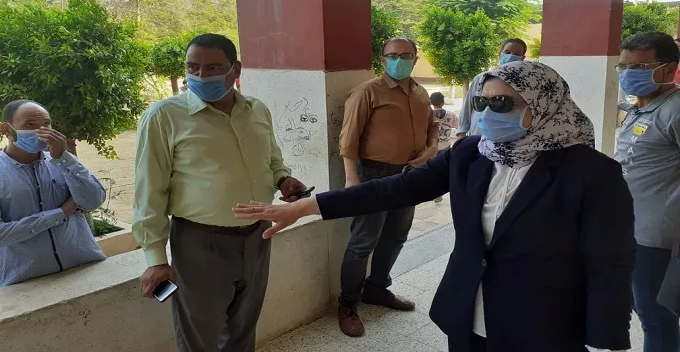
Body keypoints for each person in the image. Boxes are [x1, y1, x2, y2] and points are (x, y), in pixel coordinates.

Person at [235, 61, 635, 352]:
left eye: (502, 104)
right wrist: (308, 207)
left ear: (543, 104)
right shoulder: (470, 154)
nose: (487, 113)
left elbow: (610, 259)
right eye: (481, 102)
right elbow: (396, 188)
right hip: (466, 312)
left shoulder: (592, 173)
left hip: (544, 322)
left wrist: (606, 334)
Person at [132, 33, 308, 352]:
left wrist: (283, 179)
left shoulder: (256, 110)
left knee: (243, 328)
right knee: (199, 335)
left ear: (235, 69)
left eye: (213, 68)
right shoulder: (163, 116)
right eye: (193, 67)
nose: (201, 76)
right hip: (200, 243)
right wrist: (155, 258)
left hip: (258, 235)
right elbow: (149, 191)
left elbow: (272, 159)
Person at [335, 37, 439, 337]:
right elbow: (348, 138)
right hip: (374, 174)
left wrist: (432, 148)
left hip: (409, 174)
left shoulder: (420, 92)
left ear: (415, 59)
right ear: (383, 59)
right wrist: (352, 179)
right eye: (393, 55)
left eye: (406, 55)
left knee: (396, 236)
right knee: (362, 243)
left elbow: (432, 127)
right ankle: (347, 304)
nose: (399, 60)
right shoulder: (367, 91)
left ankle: (377, 288)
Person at [614, 31, 680, 352]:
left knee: (655, 318)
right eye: (624, 66)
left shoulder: (675, 111)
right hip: (626, 230)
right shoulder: (640, 108)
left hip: (655, 238)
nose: (628, 74)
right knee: (632, 308)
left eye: (639, 67)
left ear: (669, 69)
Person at [0, 100, 106, 286]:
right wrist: (61, 212)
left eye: (46, 124)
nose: (42, 131)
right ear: (6, 129)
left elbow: (93, 201)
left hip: (84, 269)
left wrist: (64, 158)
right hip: (26, 283)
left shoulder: (63, 163)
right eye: (30, 125)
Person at [456, 38, 527, 138]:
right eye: (507, 52)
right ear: (500, 54)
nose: (511, 56)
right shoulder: (481, 78)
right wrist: (461, 134)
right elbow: (468, 107)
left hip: (506, 138)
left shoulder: (525, 83)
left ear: (522, 58)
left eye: (516, 54)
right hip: (477, 135)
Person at [430, 91, 458, 203]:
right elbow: (458, 126)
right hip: (446, 146)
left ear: (431, 102)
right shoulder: (451, 115)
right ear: (443, 102)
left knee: (432, 170)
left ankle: (435, 192)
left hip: (431, 147)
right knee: (445, 169)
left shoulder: (427, 115)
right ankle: (445, 190)